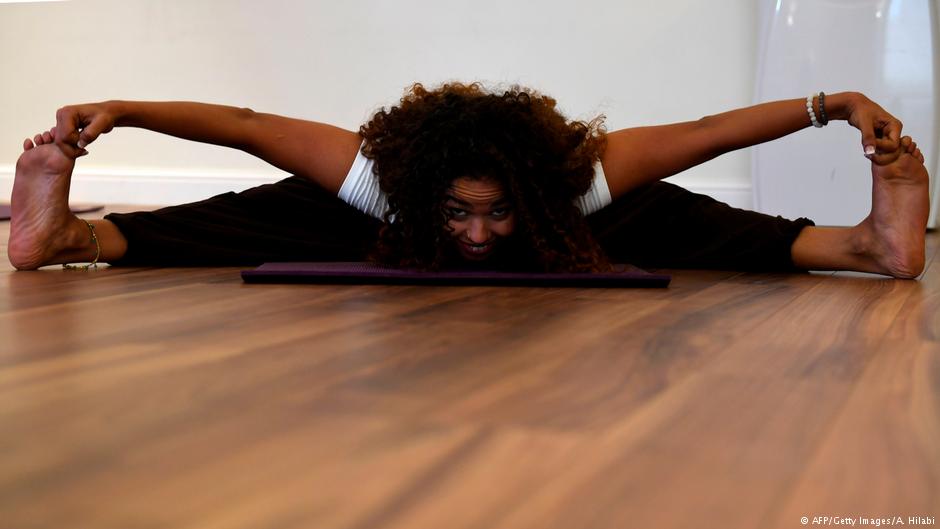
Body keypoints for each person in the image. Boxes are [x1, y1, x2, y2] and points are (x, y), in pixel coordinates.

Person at [8, 82, 930, 277]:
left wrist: (836, 103)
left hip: (573, 230)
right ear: (422, 188)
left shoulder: (581, 181)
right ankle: (71, 236)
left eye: (497, 214)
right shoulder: (376, 177)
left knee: (666, 215)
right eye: (462, 213)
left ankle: (867, 242)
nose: (482, 234)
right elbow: (250, 130)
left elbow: (704, 132)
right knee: (283, 210)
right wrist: (125, 111)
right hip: (378, 227)